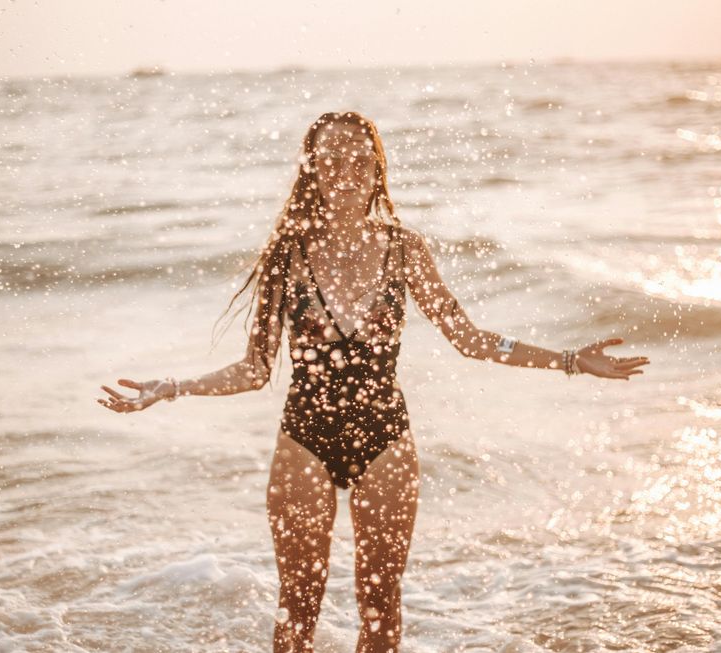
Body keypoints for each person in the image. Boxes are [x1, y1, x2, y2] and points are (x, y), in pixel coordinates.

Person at [98, 111, 650, 652]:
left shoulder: (404, 248)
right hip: (303, 440)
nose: (347, 169)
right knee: (298, 606)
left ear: (377, 171)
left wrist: (571, 360)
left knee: (381, 601)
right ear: (311, 169)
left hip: (385, 436)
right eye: (333, 158)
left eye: (361, 159)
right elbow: (255, 368)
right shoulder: (287, 255)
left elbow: (470, 338)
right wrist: (172, 387)